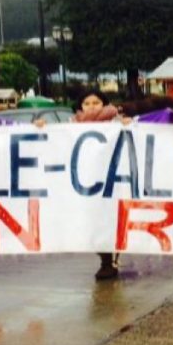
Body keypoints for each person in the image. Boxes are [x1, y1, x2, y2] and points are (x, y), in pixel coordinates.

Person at [36, 89, 123, 279]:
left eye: (96, 102)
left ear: (104, 103)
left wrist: (130, 125)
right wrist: (42, 127)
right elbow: (55, 139)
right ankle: (105, 258)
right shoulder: (71, 125)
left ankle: (109, 261)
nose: (92, 107)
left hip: (110, 181)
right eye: (87, 103)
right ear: (80, 106)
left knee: (109, 220)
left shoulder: (115, 123)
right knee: (91, 222)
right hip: (83, 183)